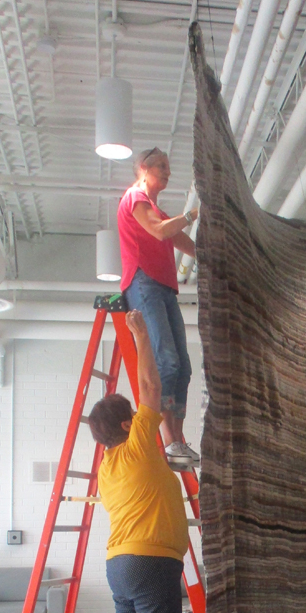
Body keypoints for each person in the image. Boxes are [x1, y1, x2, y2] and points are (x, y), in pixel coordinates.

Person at [89, 309, 189, 613]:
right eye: (135, 417)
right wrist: (142, 335)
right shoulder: (136, 447)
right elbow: (151, 387)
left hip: (118, 565)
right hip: (151, 564)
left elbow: (143, 401)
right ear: (130, 425)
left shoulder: (109, 464)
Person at [117, 146, 200, 464]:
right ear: (142, 168)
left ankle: (176, 440)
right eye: (160, 166)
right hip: (144, 283)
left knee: (183, 367)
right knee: (166, 360)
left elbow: (177, 239)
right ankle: (168, 441)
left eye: (168, 166)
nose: (167, 171)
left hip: (163, 288)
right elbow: (159, 230)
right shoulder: (135, 198)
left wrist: (209, 254)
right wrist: (193, 214)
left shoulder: (156, 208)